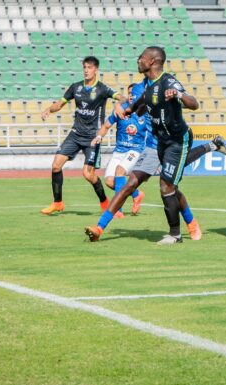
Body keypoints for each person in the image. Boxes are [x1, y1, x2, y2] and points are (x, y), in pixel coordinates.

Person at [87, 46, 198, 245]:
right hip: (155, 142)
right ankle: (99, 228)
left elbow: (194, 103)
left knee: (168, 187)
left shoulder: (168, 81)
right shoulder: (145, 85)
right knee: (131, 183)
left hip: (176, 141)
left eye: (142, 57)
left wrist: (178, 95)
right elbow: (139, 104)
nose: (138, 59)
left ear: (153, 61)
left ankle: (181, 230)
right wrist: (126, 109)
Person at [39, 56, 122, 215]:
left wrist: (119, 104)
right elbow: (61, 103)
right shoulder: (75, 87)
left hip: (93, 137)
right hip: (75, 134)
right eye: (84, 67)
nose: (86, 70)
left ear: (96, 70)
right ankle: (58, 203)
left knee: (88, 174)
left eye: (89, 67)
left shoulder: (103, 89)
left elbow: (121, 97)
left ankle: (105, 203)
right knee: (56, 165)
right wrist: (49, 109)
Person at [90, 82, 150, 217]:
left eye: (133, 94)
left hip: (135, 150)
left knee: (120, 172)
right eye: (129, 93)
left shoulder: (145, 113)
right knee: (110, 181)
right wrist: (99, 136)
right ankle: (136, 194)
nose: (131, 96)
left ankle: (118, 210)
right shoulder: (120, 110)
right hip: (119, 150)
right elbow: (106, 126)